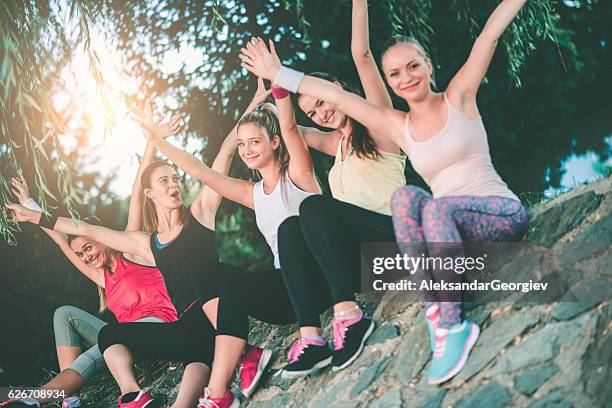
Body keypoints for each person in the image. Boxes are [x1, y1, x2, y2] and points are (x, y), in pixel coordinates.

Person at [239, 0, 529, 384]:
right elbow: (288, 133)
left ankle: (350, 317)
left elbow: (361, 54)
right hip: (364, 264)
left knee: (313, 208)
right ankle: (312, 338)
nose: (321, 112)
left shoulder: (380, 128)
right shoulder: (333, 146)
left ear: (338, 91)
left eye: (323, 101)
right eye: (313, 111)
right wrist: (276, 87)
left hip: (396, 238)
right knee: (292, 226)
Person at [6, 82, 272, 407]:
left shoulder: (198, 216)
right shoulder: (146, 245)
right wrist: (36, 216)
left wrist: (255, 104)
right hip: (184, 333)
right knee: (113, 334)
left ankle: (247, 356)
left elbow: (224, 154)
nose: (174, 184)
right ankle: (84, 399)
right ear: (152, 194)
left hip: (206, 317)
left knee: (194, 343)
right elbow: (81, 228)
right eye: (164, 180)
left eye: (176, 178)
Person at [132, 83, 343, 407]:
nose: (246, 149)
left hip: (324, 276)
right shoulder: (252, 193)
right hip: (290, 295)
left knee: (287, 231)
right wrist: (157, 141)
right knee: (208, 274)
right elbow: (200, 170)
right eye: (243, 144)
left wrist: (277, 89)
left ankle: (216, 394)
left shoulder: (298, 172)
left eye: (254, 142)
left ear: (275, 143)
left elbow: (287, 127)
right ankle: (236, 373)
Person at [4, 136, 177, 408]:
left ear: (100, 237)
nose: (86, 256)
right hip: (124, 339)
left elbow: (135, 193)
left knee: (114, 334)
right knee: (65, 314)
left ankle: (37, 398)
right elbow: (62, 240)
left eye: (88, 247)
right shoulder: (102, 278)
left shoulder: (132, 251)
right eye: (82, 254)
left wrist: (152, 141)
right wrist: (29, 204)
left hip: (161, 327)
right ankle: (68, 396)